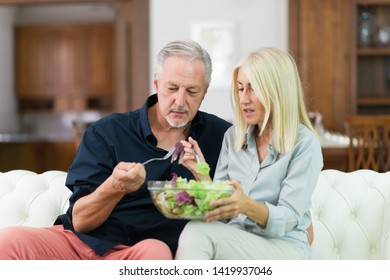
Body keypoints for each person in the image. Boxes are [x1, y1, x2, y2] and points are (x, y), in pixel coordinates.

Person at [0, 40, 231, 260]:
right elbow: (80, 221)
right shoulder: (108, 132)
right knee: (8, 241)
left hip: (139, 252)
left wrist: (203, 175)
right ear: (157, 84)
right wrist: (116, 186)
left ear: (205, 91)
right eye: (172, 88)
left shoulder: (223, 138)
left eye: (192, 91)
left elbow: (234, 215)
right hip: (80, 244)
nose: (180, 101)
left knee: (155, 253)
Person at [175, 47, 323, 260]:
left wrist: (246, 205)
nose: (243, 99)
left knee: (197, 233)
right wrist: (201, 173)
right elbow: (223, 214)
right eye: (240, 88)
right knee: (198, 229)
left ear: (277, 91)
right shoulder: (233, 137)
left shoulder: (304, 144)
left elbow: (288, 218)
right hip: (239, 241)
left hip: (285, 248)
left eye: (253, 89)